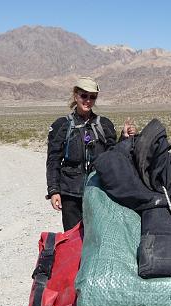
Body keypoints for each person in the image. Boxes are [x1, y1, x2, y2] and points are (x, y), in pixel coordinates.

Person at [46, 77, 136, 230]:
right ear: (76, 96)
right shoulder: (62, 125)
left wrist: (124, 137)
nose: (88, 100)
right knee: (73, 239)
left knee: (97, 237)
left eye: (92, 97)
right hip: (70, 194)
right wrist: (54, 190)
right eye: (84, 96)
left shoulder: (104, 125)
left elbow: (113, 156)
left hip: (98, 192)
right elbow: (53, 160)